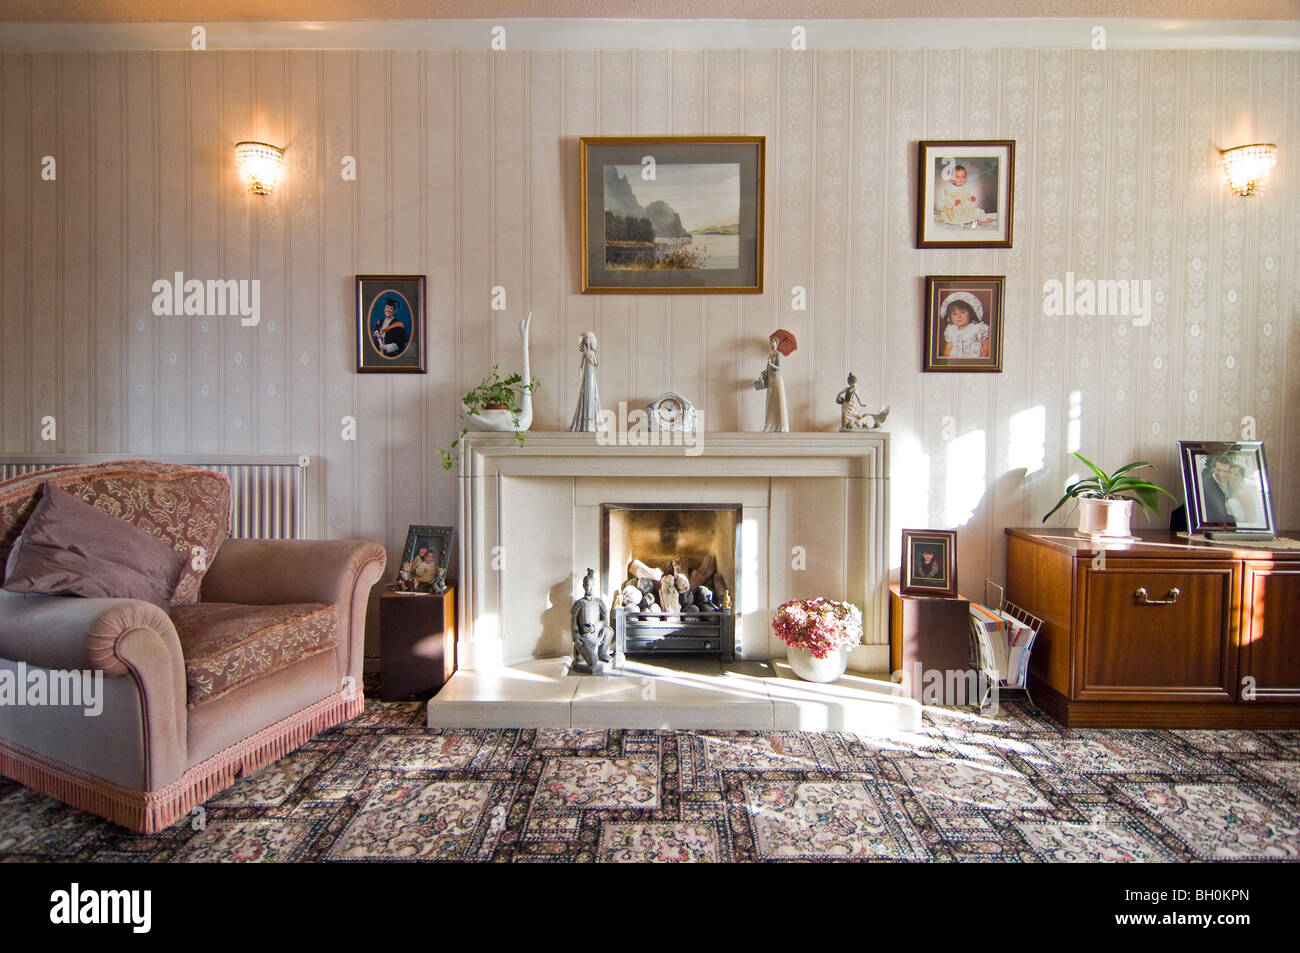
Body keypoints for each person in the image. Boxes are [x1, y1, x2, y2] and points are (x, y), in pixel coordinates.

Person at [755, 329, 796, 432]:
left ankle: (781, 425)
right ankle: (771, 425)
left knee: (778, 402)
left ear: (776, 343)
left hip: (777, 380)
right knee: (771, 403)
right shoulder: (770, 355)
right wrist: (763, 373)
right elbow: (768, 369)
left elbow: (779, 368)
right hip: (771, 381)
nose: (771, 344)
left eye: (773, 342)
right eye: (770, 343)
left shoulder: (778, 354)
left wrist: (771, 364)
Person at [940, 292, 991, 359]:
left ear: (971, 313)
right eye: (954, 314)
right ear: (950, 317)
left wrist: (982, 360)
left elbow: (986, 347)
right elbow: (948, 348)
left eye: (963, 312)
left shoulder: (978, 328)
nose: (959, 316)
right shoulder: (951, 330)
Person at [568, 331, 602, 432]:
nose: (587, 342)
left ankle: (591, 423)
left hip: (592, 375)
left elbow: (596, 365)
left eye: (588, 340)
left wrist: (595, 361)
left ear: (591, 341)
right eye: (585, 340)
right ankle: (585, 423)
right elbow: (581, 367)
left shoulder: (592, 353)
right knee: (585, 394)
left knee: (592, 395)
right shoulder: (584, 353)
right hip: (586, 375)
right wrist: (578, 377)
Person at [1199, 454, 1236, 525]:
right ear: (1213, 468)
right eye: (1218, 470)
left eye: (1225, 471)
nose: (1221, 474)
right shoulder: (1204, 485)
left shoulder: (1230, 483)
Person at [1225, 461, 1259, 526]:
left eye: (1236, 474)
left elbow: (1251, 518)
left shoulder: (1243, 494)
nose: (1232, 476)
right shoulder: (1230, 491)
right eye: (1230, 473)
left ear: (1242, 478)